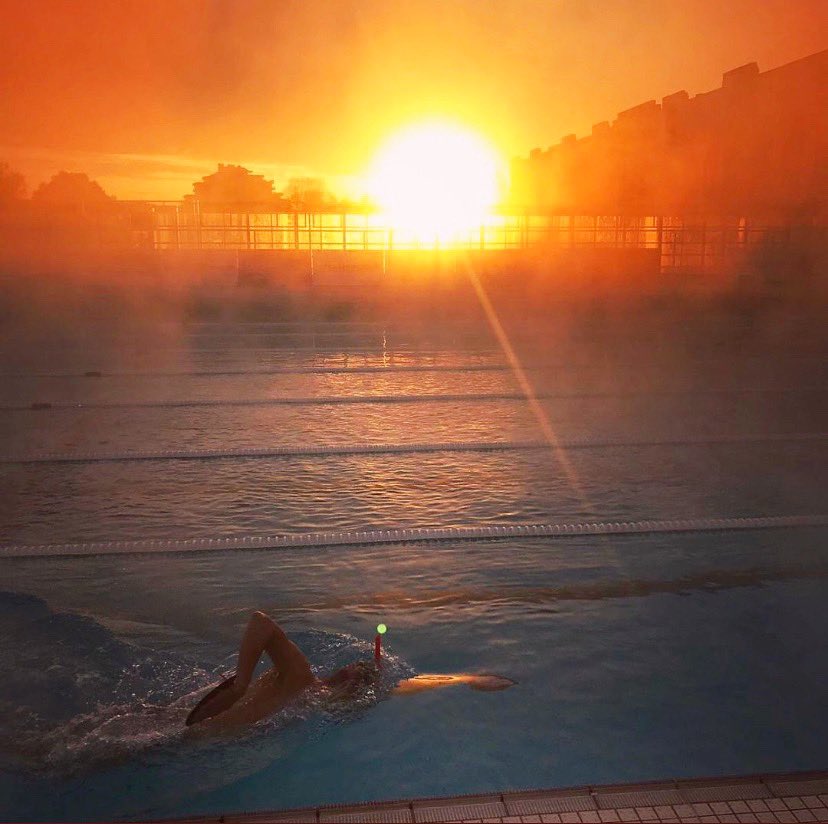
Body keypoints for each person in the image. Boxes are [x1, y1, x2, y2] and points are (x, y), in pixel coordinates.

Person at [185, 611, 515, 734]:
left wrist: (241, 684)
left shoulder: (302, 681)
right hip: (187, 734)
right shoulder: (304, 690)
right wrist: (468, 679)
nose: (355, 668)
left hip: (184, 737)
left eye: (360, 671)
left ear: (348, 682)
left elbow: (261, 622)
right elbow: (259, 622)